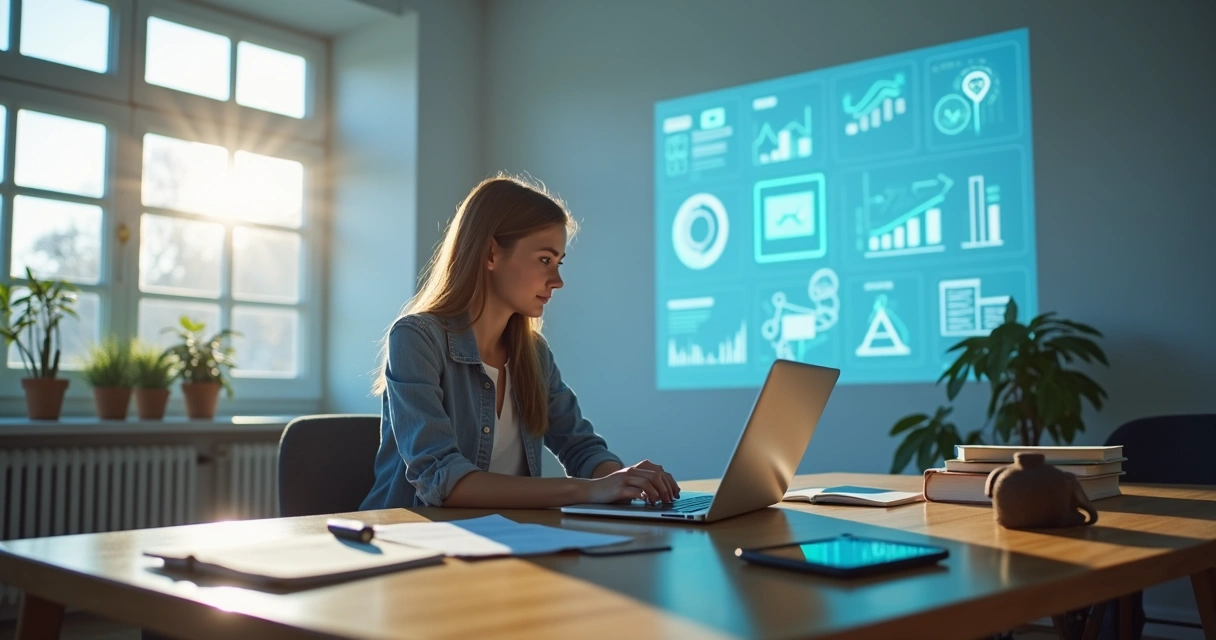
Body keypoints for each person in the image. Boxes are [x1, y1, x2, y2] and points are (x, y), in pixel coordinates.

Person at [361, 175, 681, 510]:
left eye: (558, 263)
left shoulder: (534, 353)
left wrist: (624, 482)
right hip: (412, 542)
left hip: (508, 539)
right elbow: (443, 481)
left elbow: (581, 449)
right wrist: (590, 490)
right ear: (490, 254)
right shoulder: (416, 338)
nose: (557, 281)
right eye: (545, 260)